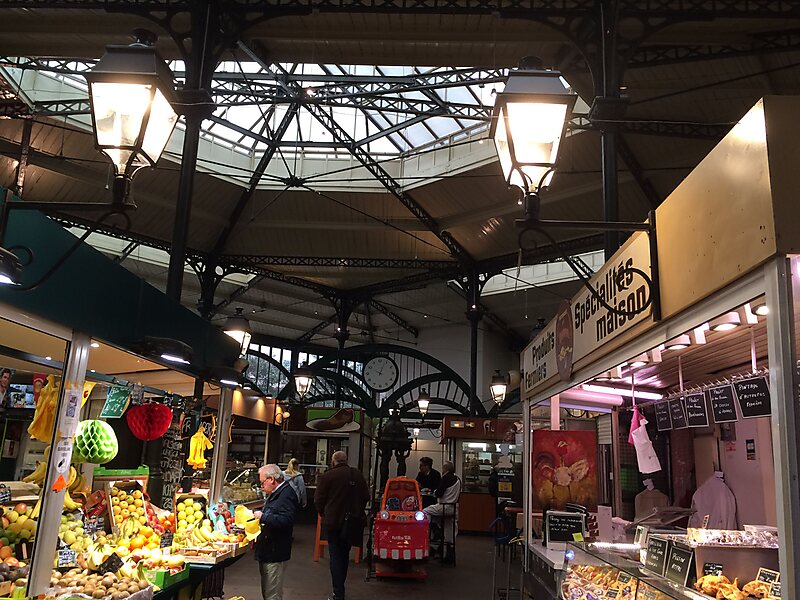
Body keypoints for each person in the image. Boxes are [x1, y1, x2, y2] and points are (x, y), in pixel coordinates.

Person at [315, 451, 369, 600]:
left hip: (333, 522)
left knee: (336, 556)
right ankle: (339, 589)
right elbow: (366, 496)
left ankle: (338, 593)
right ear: (346, 460)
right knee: (344, 554)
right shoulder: (357, 475)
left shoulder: (328, 476)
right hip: (352, 522)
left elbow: (318, 499)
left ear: (334, 461)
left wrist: (324, 513)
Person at [255, 464, 298, 600]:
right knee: (268, 591)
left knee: (272, 594)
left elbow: (286, 520)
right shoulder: (279, 493)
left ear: (272, 480)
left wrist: (263, 517)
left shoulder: (286, 494)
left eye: (262, 482)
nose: (262, 486)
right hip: (269, 549)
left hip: (275, 551)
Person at [423, 460, 461, 562]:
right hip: (454, 507)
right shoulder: (458, 479)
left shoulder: (445, 478)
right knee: (450, 531)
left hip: (444, 506)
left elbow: (439, 493)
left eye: (443, 468)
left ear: (446, 469)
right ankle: (449, 555)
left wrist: (433, 492)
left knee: (425, 511)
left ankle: (433, 531)